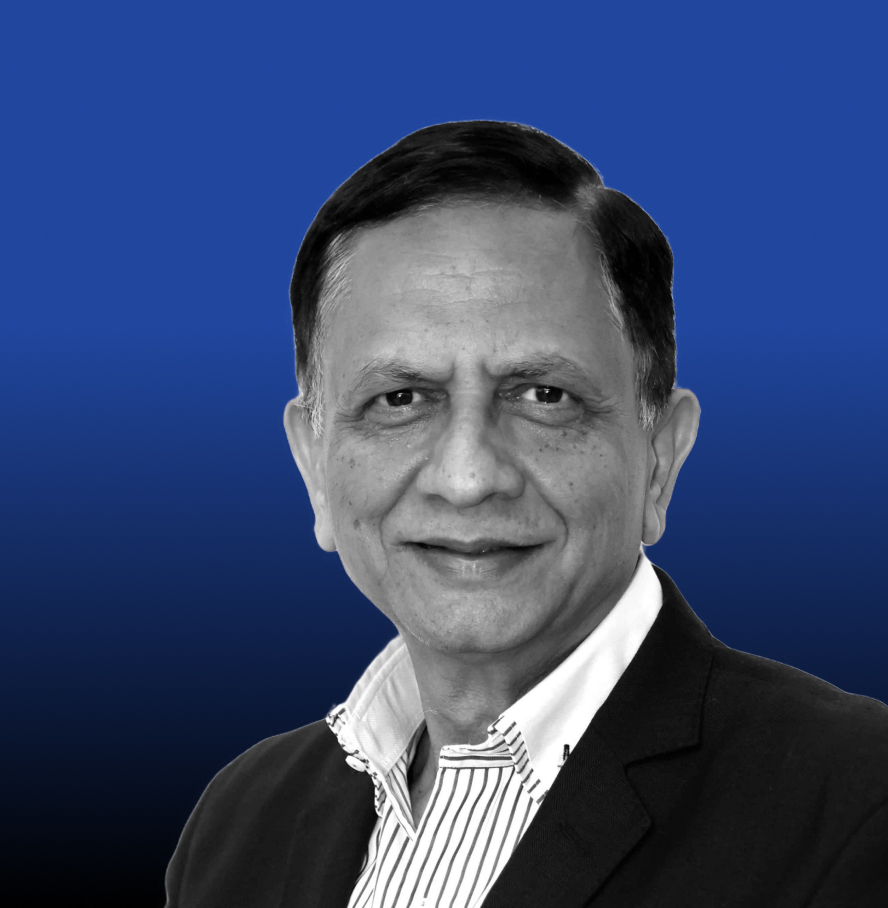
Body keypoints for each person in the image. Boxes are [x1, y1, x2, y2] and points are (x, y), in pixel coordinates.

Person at [164, 121, 888, 907]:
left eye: (545, 396)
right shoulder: (240, 827)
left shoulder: (858, 806)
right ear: (313, 464)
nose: (468, 478)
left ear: (660, 456)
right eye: (400, 399)